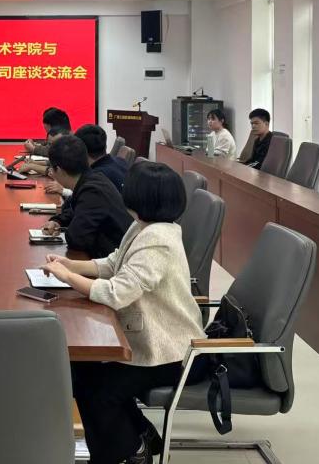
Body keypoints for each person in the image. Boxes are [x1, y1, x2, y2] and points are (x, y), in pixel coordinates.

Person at [42, 161, 205, 464]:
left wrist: (68, 278)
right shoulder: (145, 226)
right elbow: (114, 263)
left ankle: (129, 453)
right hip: (150, 339)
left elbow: (117, 292)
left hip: (171, 351)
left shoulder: (158, 240)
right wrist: (71, 265)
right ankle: (139, 436)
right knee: (83, 374)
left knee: (100, 390)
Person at [39, 135, 132, 259]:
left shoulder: (92, 191)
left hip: (116, 260)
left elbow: (77, 238)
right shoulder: (92, 178)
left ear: (59, 170)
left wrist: (63, 229)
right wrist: (58, 221)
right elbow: (75, 210)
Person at [43, 123, 127, 205]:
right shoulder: (120, 161)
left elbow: (89, 199)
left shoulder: (97, 176)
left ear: (81, 149)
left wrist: (64, 190)